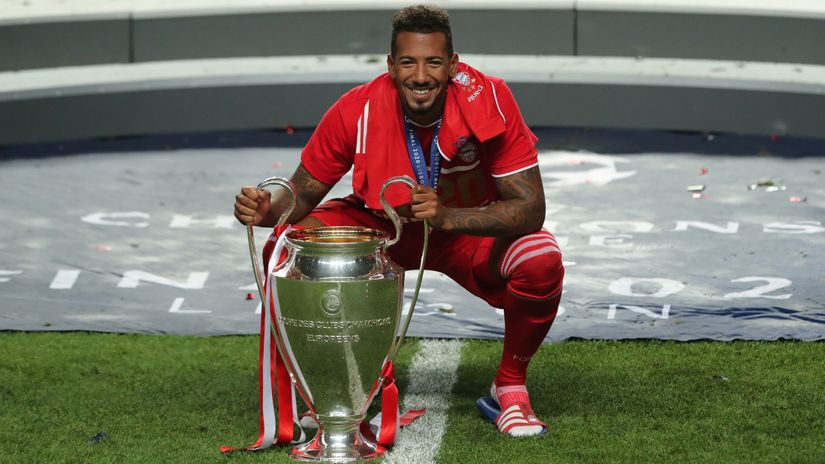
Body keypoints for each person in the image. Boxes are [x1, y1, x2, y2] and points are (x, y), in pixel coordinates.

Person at [234, 4, 563, 438]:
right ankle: (330, 390)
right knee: (289, 244)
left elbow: (530, 208)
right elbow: (302, 192)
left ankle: (510, 386)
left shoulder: (490, 100)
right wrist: (268, 209)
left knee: (539, 257)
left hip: (464, 233)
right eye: (408, 62)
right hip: (381, 232)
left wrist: (448, 216)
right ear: (391, 65)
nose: (421, 75)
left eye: (433, 62)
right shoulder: (357, 108)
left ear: (453, 64)